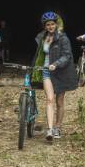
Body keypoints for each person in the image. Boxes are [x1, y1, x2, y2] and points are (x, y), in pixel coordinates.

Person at [32, 11, 77, 140]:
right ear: (44, 26)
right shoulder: (41, 37)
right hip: (46, 71)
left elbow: (67, 55)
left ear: (56, 25)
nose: (50, 27)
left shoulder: (63, 38)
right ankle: (50, 130)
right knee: (50, 99)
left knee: (59, 101)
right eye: (48, 25)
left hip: (61, 72)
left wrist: (56, 64)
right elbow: (39, 55)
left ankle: (58, 127)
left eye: (52, 24)